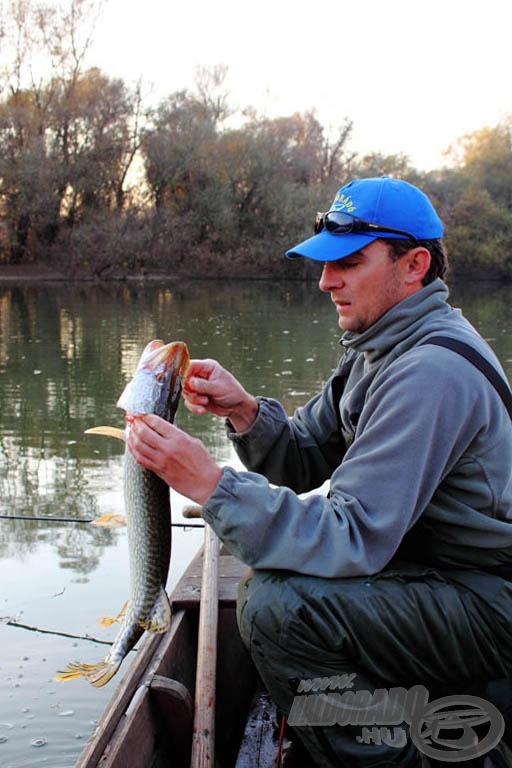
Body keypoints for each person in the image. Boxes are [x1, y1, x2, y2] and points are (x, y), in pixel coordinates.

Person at [127, 177, 512, 767]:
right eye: (325, 262)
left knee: (278, 606)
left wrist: (210, 484)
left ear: (414, 265)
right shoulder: (378, 342)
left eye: (349, 262)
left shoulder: (430, 371)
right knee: (275, 564)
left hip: (490, 599)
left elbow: (350, 535)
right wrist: (246, 413)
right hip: (436, 571)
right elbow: (308, 455)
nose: (326, 280)